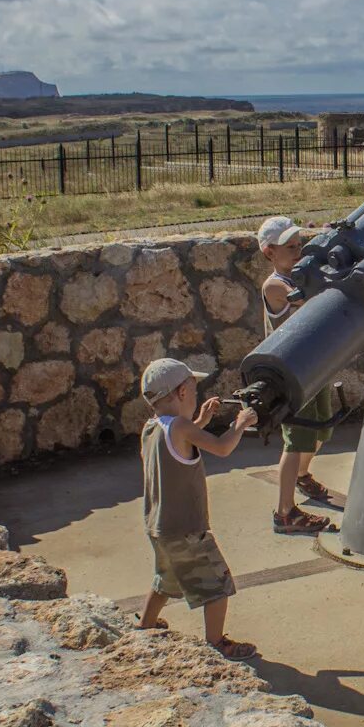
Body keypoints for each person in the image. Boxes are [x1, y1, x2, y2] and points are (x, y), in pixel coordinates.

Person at [134, 356, 260, 659]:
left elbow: (180, 442)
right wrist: (240, 423)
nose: (195, 396)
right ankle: (216, 643)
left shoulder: (152, 428)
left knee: (166, 579)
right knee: (217, 585)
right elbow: (222, 447)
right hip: (187, 529)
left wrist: (200, 421)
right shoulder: (180, 426)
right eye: (193, 389)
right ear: (181, 393)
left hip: (159, 526)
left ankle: (145, 625)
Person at [258, 215, 337, 535]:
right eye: (289, 247)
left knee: (322, 431)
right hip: (292, 374)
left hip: (314, 367)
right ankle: (285, 511)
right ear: (269, 253)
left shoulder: (301, 275)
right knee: (296, 440)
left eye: (299, 244)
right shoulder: (277, 285)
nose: (297, 251)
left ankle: (302, 476)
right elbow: (315, 302)